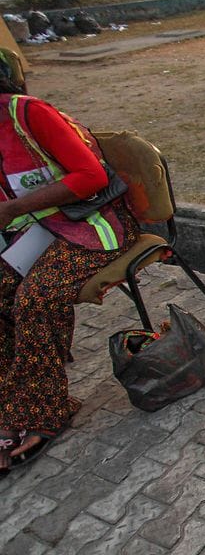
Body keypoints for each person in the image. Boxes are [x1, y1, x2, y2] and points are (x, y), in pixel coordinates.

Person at [0, 55, 141, 477]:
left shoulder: (27, 113)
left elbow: (91, 176)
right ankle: (14, 399)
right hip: (38, 232)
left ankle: (47, 410)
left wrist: (17, 207)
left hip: (94, 228)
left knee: (35, 299)